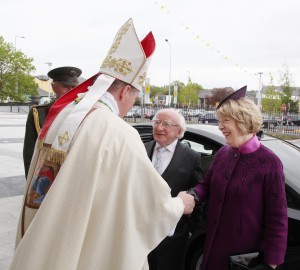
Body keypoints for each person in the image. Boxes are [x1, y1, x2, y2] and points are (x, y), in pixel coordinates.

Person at [10, 18, 195, 270]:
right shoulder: (118, 132)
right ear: (124, 92)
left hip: (46, 235)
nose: (131, 107)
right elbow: (146, 205)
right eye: (134, 100)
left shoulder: (64, 115)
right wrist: (178, 205)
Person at [188, 86, 288, 270]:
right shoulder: (223, 153)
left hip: (243, 258)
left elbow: (278, 218)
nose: (220, 126)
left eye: (225, 120)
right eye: (219, 121)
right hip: (212, 250)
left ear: (243, 121)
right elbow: (206, 185)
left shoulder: (269, 162)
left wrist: (271, 264)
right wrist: (193, 194)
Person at [144, 108, 204, 270]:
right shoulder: (141, 149)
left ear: (179, 131)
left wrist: (189, 230)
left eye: (166, 124)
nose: (159, 127)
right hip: (141, 233)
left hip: (172, 238)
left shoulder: (191, 157)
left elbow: (197, 195)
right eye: (156, 122)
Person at [23, 66, 82, 178]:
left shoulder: (84, 113)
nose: (71, 92)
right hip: (46, 176)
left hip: (73, 175)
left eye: (74, 87)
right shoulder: (38, 113)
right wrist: (31, 181)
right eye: (65, 87)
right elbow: (30, 152)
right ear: (54, 87)